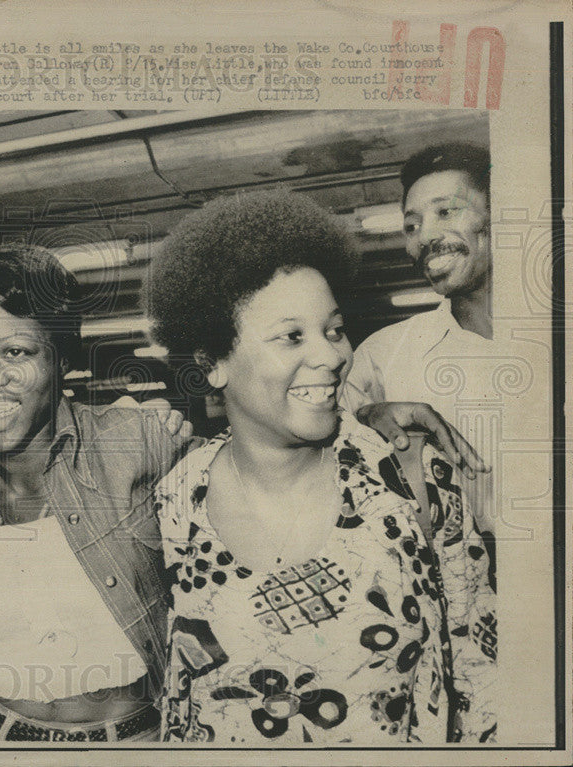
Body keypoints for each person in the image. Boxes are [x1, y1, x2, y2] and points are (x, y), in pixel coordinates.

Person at [145, 191, 496, 743]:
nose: (334, 355)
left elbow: (480, 667)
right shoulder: (169, 507)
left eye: (334, 329)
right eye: (292, 336)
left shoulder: (410, 475)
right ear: (213, 363)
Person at [0, 245, 192, 741]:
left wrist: (365, 417)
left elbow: (258, 467)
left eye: (15, 352)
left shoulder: (137, 443)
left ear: (61, 358)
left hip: (133, 743)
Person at [342, 143, 497, 532]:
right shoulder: (383, 354)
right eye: (411, 226)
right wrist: (363, 417)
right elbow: (309, 446)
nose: (424, 236)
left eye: (446, 211)